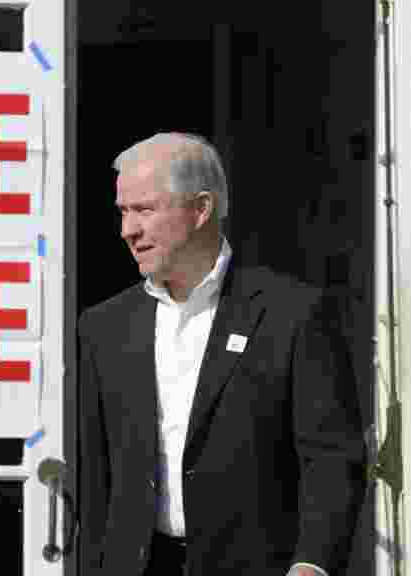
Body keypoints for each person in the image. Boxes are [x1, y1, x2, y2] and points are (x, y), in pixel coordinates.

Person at [77, 132, 365, 576]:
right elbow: (98, 482)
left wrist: (311, 566)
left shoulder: (291, 313)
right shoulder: (104, 327)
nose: (127, 230)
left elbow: (331, 460)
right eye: (123, 212)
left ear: (201, 209)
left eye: (143, 210)